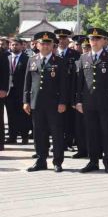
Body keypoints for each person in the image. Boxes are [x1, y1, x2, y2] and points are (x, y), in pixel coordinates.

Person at [76, 28, 108, 173]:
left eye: (97, 39)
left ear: (103, 41)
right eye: (91, 39)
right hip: (88, 102)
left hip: (105, 102)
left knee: (106, 132)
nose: (93, 42)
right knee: (91, 133)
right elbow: (80, 82)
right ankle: (93, 161)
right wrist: (78, 101)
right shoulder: (83, 58)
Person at [24, 32, 68, 172]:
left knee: (56, 133)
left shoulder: (59, 61)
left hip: (54, 104)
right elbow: (27, 83)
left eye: (48, 43)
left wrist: (62, 102)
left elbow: (64, 85)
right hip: (36, 103)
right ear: (37, 44)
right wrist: (26, 101)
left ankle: (57, 161)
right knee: (39, 133)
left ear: (52, 45)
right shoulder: (32, 60)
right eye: (42, 43)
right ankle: (41, 160)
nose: (45, 46)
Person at [6, 38, 30, 145]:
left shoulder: (27, 59)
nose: (14, 47)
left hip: (22, 91)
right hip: (9, 92)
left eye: (16, 45)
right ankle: (12, 137)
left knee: (23, 115)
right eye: (12, 45)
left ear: (21, 46)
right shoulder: (7, 58)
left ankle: (24, 137)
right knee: (11, 115)